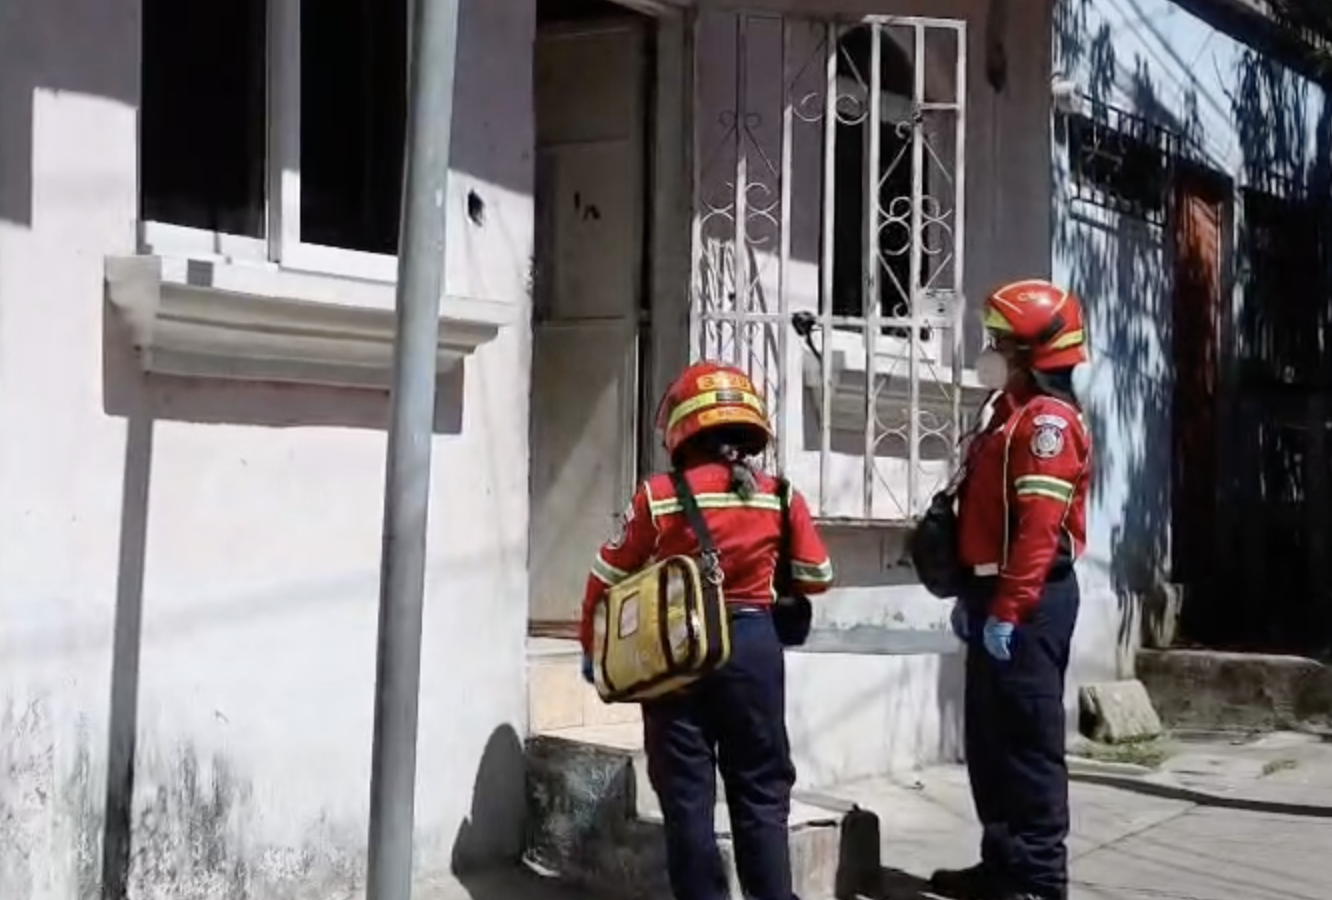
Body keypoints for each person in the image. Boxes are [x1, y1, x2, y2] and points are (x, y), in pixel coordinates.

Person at [579, 361, 835, 900]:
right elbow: (818, 577)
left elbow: (606, 577)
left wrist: (592, 647)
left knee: (687, 797)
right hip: (753, 648)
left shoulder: (657, 495)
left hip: (677, 652)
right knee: (761, 791)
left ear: (684, 428)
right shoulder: (781, 496)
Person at [930, 279, 1092, 900]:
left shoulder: (1049, 423)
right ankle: (1001, 863)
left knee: (1029, 743)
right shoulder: (1006, 410)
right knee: (989, 746)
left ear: (1035, 353)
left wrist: (1008, 608)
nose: (989, 349)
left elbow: (1038, 533)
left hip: (1029, 599)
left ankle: (1040, 880)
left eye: (1001, 342)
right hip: (992, 594)